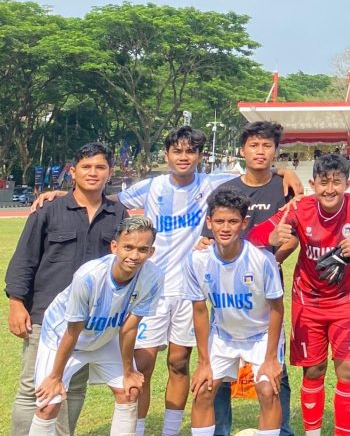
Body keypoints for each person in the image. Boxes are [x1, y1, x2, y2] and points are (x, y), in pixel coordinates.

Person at [31, 126, 302, 436]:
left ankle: (170, 431)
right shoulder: (151, 186)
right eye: (177, 151)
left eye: (190, 151)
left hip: (188, 290)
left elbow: (255, 169)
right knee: (142, 364)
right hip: (153, 288)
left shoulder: (211, 183)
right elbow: (105, 195)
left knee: (179, 363)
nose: (183, 157)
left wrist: (285, 173)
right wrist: (64, 195)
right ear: (167, 155)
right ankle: (137, 429)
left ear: (200, 156)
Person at [249, 153, 350, 436]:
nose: (330, 189)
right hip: (308, 301)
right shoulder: (299, 208)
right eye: (323, 182)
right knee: (313, 370)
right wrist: (270, 238)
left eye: (337, 182)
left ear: (348, 184)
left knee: (349, 371)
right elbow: (254, 234)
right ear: (312, 184)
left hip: (346, 300)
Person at [7, 143, 129, 436]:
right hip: (47, 316)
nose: (93, 173)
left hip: (90, 320)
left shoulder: (118, 215)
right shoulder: (48, 210)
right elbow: (25, 258)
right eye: (86, 167)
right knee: (33, 387)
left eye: (100, 167)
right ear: (73, 172)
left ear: (110, 172)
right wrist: (16, 303)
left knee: (73, 387)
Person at [28, 216, 164, 436]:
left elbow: (129, 328)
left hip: (104, 336)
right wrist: (55, 376)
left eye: (142, 249)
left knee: (129, 391)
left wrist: (129, 371)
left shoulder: (153, 277)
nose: (134, 256)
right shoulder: (88, 277)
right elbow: (72, 331)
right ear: (114, 247)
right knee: (49, 403)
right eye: (128, 247)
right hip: (62, 336)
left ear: (151, 252)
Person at [208, 121, 297, 436]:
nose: (260, 152)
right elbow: (212, 239)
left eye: (267, 146)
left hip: (267, 291)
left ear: (276, 150)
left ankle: (281, 429)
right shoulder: (225, 190)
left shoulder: (285, 188)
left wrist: (270, 262)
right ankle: (219, 429)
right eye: (254, 145)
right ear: (242, 150)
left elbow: (292, 237)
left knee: (274, 366)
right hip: (227, 291)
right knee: (219, 372)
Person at [185, 188, 285, 436]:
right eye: (219, 221)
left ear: (244, 223)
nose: (225, 228)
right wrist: (203, 363)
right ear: (209, 222)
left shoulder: (262, 260)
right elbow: (199, 311)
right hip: (223, 335)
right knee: (203, 390)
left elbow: (277, 309)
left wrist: (271, 359)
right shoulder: (197, 261)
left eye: (232, 221)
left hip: (261, 335)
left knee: (268, 390)